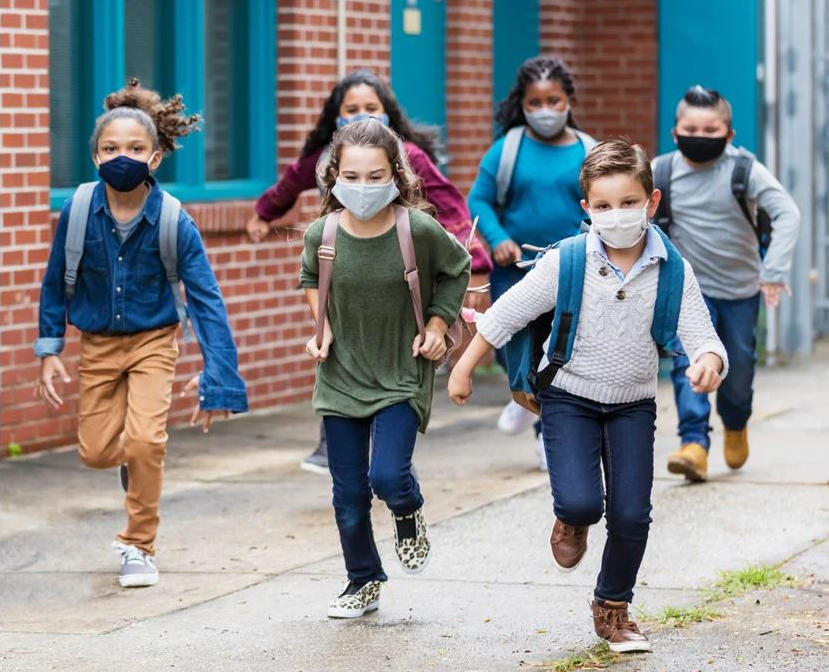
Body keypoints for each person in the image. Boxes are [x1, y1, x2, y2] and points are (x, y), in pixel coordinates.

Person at [449, 140, 728, 652]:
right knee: (582, 501)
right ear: (587, 209)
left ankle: (613, 606)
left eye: (629, 203)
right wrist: (463, 369)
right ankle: (572, 518)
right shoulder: (569, 261)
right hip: (569, 400)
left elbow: (703, 336)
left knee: (631, 514)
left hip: (633, 403)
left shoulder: (673, 269)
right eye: (603, 206)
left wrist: (709, 362)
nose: (617, 215)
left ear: (652, 202)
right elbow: (507, 312)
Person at [34, 80, 248, 588]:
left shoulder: (175, 221)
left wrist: (219, 379)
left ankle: (138, 545)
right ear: (94, 157)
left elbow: (207, 303)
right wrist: (49, 349)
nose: (121, 157)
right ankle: (133, 464)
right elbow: (52, 282)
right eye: (111, 149)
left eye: (134, 149)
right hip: (99, 343)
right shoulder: (80, 211)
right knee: (95, 451)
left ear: (154, 158)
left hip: (155, 341)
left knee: (147, 439)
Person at [247, 69, 490, 475]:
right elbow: (290, 182)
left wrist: (473, 264)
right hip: (345, 271)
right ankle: (336, 445)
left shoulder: (409, 157)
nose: (363, 116)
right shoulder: (328, 157)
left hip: (395, 277)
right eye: (352, 109)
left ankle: (391, 465)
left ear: (389, 113)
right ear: (335, 118)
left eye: (371, 108)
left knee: (388, 459)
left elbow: (452, 206)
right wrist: (263, 213)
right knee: (342, 357)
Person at [301, 118, 470, 618]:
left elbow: (456, 268)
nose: (363, 187)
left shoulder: (414, 229)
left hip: (401, 371)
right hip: (340, 375)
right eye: (352, 177)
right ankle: (363, 580)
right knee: (347, 492)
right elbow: (311, 276)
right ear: (333, 177)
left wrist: (438, 328)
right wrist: (321, 324)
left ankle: (408, 508)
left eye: (376, 177)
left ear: (396, 174)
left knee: (387, 476)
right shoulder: (322, 233)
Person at [654, 86, 800, 482]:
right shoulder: (661, 172)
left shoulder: (743, 170)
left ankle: (736, 423)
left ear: (729, 135)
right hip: (688, 292)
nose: (700, 135)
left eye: (710, 129)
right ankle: (694, 444)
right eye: (691, 128)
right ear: (675, 132)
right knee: (689, 363)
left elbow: (787, 213)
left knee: (737, 372)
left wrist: (772, 272)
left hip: (739, 291)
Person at [467, 56, 596, 471]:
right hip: (516, 269)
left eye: (553, 100)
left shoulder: (587, 150)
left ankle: (545, 434)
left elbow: (602, 201)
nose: (545, 110)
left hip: (571, 270)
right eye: (535, 101)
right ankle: (519, 389)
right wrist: (498, 239)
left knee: (555, 352)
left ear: (568, 100)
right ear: (522, 104)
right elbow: (479, 200)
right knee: (511, 346)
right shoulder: (508, 149)